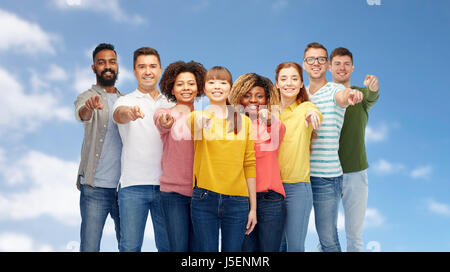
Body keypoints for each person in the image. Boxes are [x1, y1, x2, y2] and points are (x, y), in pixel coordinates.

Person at [302, 42, 363, 252]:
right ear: (304, 64)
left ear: (327, 64)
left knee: (327, 238)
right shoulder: (300, 94)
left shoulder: (336, 89)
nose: (316, 63)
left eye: (320, 59)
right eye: (311, 59)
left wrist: (351, 96)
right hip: (297, 176)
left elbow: (343, 97)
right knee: (289, 236)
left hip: (326, 177)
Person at [188, 66, 257, 252]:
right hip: (204, 198)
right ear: (204, 88)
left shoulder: (245, 122)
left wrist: (253, 209)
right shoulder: (197, 117)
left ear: (230, 87)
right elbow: (192, 127)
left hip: (238, 202)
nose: (217, 86)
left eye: (222, 82)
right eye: (211, 82)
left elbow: (249, 164)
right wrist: (201, 123)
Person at [112, 47, 173, 252]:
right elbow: (119, 114)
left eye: (152, 66)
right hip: (132, 186)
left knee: (168, 247)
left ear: (160, 69)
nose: (148, 71)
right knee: (129, 247)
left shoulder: (171, 103)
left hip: (167, 188)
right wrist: (130, 113)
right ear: (134, 71)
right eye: (142, 67)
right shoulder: (125, 101)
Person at [329, 47, 380, 252]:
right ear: (330, 67)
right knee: (326, 235)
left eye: (346, 64)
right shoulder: (322, 96)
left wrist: (373, 87)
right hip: (326, 174)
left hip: (356, 172)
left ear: (352, 67)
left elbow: (372, 96)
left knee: (355, 237)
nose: (342, 68)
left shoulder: (360, 95)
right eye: (338, 64)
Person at [228, 73, 286, 252]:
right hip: (241, 199)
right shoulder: (232, 126)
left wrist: (267, 118)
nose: (253, 100)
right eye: (247, 95)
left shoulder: (273, 125)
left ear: (267, 99)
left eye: (259, 96)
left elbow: (278, 128)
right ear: (239, 98)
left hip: (271, 199)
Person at [153, 60, 206, 252]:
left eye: (191, 83)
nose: (186, 88)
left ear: (199, 87)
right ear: (172, 88)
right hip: (173, 194)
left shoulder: (205, 117)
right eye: (180, 84)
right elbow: (162, 122)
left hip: (202, 194)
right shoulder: (165, 113)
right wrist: (166, 122)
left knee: (199, 251)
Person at [74, 43, 123, 252]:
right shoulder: (87, 96)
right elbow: (82, 113)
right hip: (94, 188)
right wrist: (89, 107)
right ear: (94, 68)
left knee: (129, 246)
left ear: (117, 66)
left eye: (111, 62)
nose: (107, 66)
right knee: (90, 247)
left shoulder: (126, 101)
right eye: (101, 62)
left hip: (124, 190)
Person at [275, 62, 323, 252]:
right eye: (284, 79)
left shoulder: (305, 108)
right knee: (276, 246)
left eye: (294, 79)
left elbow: (314, 112)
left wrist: (312, 115)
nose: (289, 83)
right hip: (272, 189)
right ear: (277, 83)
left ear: (301, 83)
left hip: (298, 188)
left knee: (295, 247)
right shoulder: (270, 112)